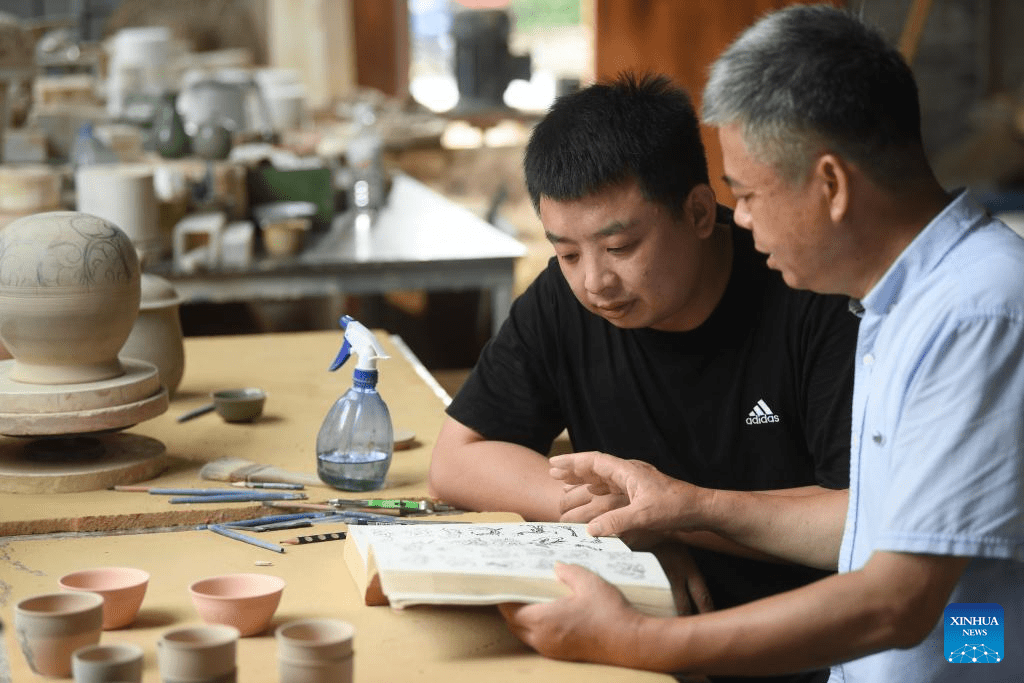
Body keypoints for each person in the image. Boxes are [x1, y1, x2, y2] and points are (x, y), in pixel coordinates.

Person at [498, 5, 1024, 682]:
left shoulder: (978, 313)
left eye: (746, 194)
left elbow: (900, 603)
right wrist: (691, 505)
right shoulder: (903, 300)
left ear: (831, 185)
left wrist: (631, 640)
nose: (738, 218)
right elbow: (877, 533)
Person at [428, 72, 858, 683]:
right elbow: (458, 457)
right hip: (638, 634)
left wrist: (678, 516)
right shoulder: (564, 300)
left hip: (809, 648)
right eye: (567, 253)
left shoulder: (807, 294)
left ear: (700, 212)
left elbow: (860, 521)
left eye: (621, 247)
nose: (594, 283)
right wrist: (620, 525)